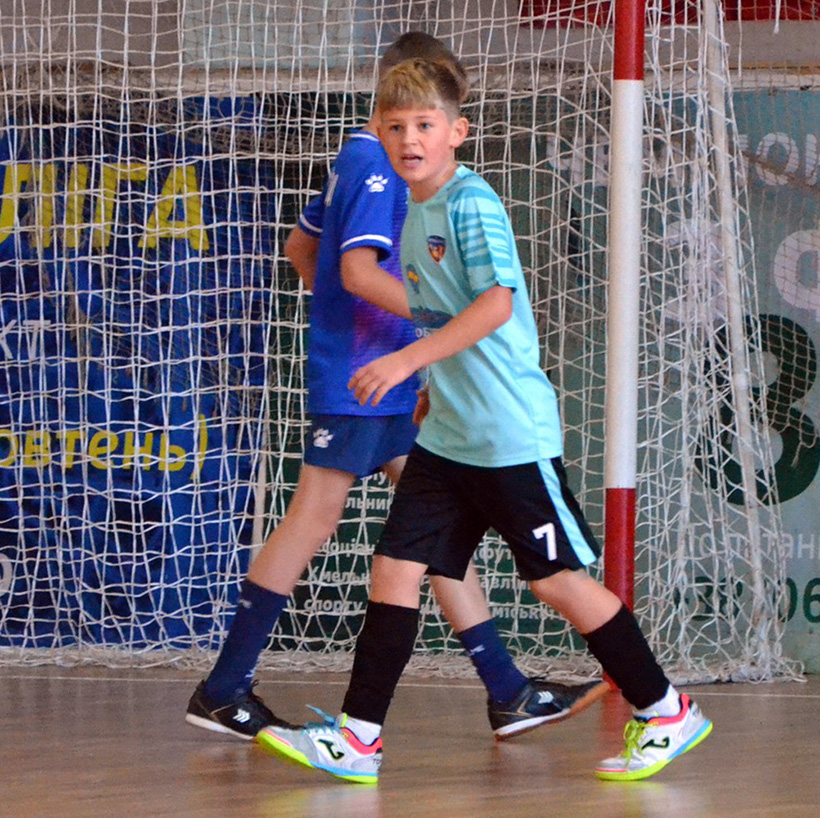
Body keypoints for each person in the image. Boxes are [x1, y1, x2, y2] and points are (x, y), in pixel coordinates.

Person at [256, 57, 713, 785]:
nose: (410, 139)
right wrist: (432, 386)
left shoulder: (471, 203)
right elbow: (438, 312)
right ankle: (359, 737)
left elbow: (495, 305)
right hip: (448, 436)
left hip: (506, 435)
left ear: (457, 132)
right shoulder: (415, 211)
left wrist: (407, 363)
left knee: (556, 583)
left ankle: (665, 709)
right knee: (394, 568)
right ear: (378, 132)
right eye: (396, 127)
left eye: (425, 125)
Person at [185, 32, 606, 746]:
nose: (418, 132)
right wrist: (426, 320)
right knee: (314, 521)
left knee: (432, 530)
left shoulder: (365, 157)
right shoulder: (378, 163)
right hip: (366, 377)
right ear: (392, 98)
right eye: (410, 112)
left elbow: (302, 248)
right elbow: (353, 272)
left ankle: (507, 689)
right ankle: (224, 687)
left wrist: (386, 335)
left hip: (389, 373)